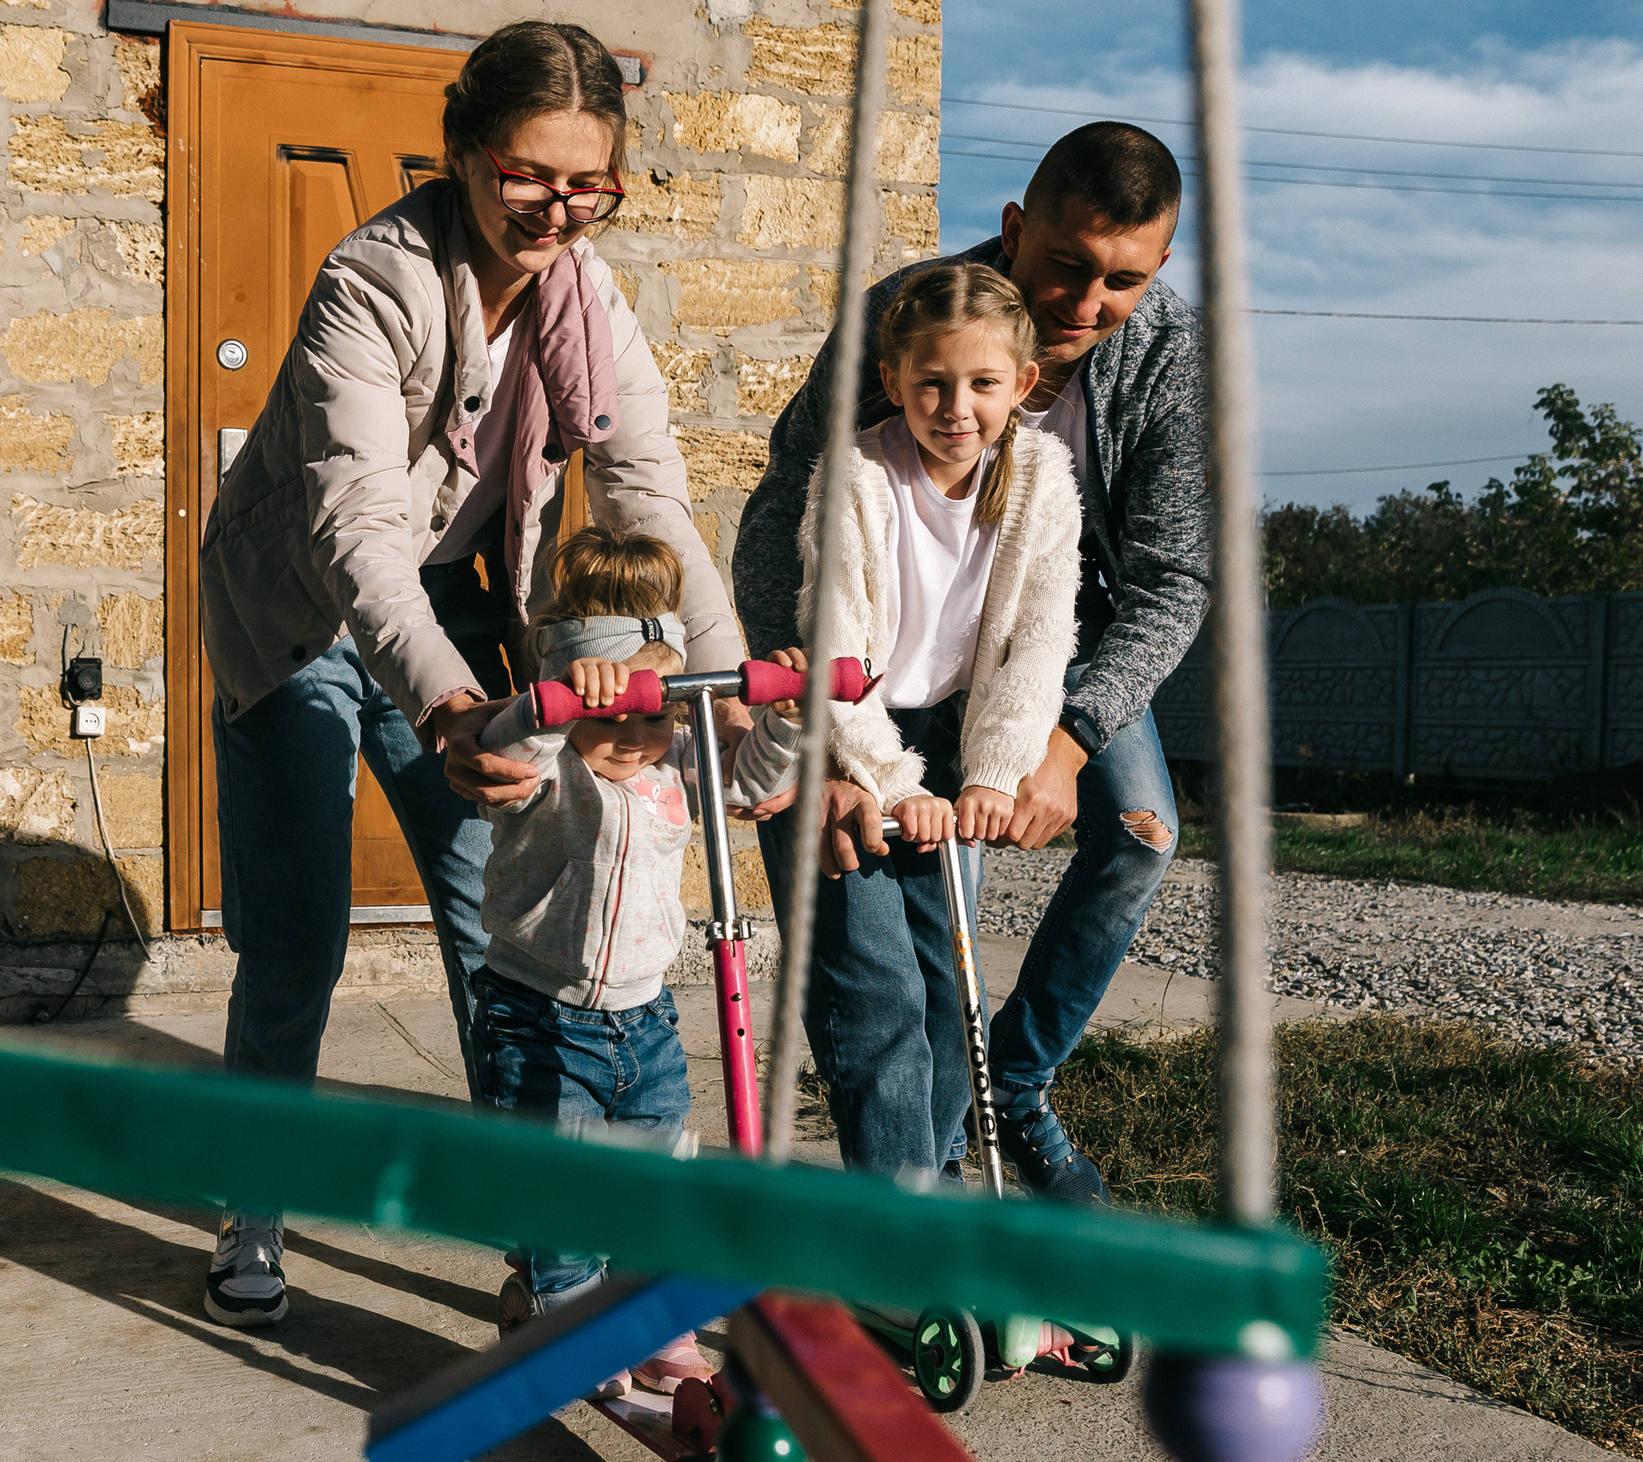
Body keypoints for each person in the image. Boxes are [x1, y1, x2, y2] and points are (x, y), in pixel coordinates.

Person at [196, 23, 748, 1327]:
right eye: (529, 174)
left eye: (589, 182)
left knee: (499, 923)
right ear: (461, 153)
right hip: (298, 616)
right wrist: (448, 705)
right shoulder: (371, 281)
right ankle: (251, 1207)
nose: (559, 207)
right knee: (299, 943)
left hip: (451, 602)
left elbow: (652, 502)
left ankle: (539, 1227)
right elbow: (353, 531)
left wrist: (730, 701)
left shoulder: (588, 307)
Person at [732, 121, 1205, 1204]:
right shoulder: (909, 324)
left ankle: (1011, 1090)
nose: (1086, 305)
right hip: (884, 651)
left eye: (1121, 282)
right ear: (1014, 228)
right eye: (1066, 268)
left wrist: (1067, 738)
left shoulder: (1171, 357)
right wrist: (819, 720)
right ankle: (925, 1167)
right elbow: (784, 517)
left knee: (1140, 836)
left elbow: (1172, 578)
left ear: (1161, 267)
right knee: (929, 920)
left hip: (1055, 630)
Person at [464, 528, 804, 1392]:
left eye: (656, 712)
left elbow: (751, 787)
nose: (635, 734)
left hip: (645, 1021)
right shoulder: (544, 768)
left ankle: (656, 1321)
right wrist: (554, 703)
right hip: (538, 1015)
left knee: (658, 1188)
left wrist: (784, 723)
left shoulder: (675, 758)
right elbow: (513, 738)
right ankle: (573, 1311)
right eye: (611, 715)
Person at [781, 264, 1083, 1186]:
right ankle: (898, 1220)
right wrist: (892, 782)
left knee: (951, 990)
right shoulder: (859, 473)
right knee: (878, 992)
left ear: (1022, 385)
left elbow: (1038, 638)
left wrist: (993, 771)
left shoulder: (1041, 479)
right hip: (853, 733)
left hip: (962, 737)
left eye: (983, 383)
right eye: (933, 384)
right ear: (893, 381)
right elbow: (830, 636)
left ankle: (930, 1187)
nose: (957, 407)